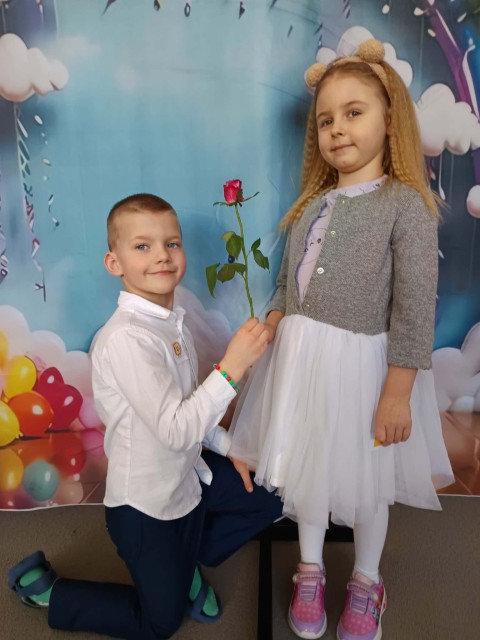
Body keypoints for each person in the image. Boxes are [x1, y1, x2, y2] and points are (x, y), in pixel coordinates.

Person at [228, 40, 454, 640]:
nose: (337, 129)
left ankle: (366, 580)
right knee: (308, 468)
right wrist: (274, 321)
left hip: (364, 368)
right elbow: (287, 283)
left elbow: (413, 309)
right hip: (302, 362)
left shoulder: (406, 205)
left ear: (390, 119)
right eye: (326, 119)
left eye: (354, 113)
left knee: (366, 477)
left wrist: (397, 393)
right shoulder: (311, 205)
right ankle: (309, 569)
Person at [8, 193, 283, 639]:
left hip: (188, 480)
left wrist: (233, 447)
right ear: (114, 263)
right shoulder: (126, 340)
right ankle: (51, 594)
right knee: (160, 624)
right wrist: (231, 367)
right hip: (147, 510)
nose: (162, 256)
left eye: (171, 243)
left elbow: (190, 406)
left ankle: (182, 565)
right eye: (143, 246)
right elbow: (176, 430)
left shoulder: (171, 323)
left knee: (270, 496)